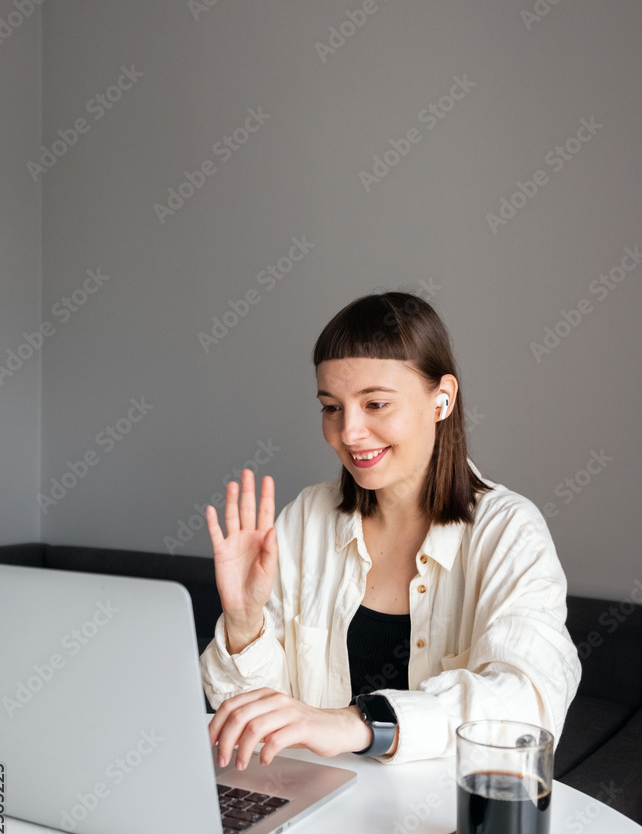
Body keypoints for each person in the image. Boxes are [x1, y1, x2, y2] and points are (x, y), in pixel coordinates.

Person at [201, 291, 581, 769]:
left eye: (375, 404)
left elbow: (531, 702)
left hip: (444, 819)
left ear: (442, 399)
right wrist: (242, 622)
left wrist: (360, 723)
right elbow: (256, 724)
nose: (349, 433)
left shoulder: (508, 530)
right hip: (315, 802)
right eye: (331, 407)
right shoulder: (306, 518)